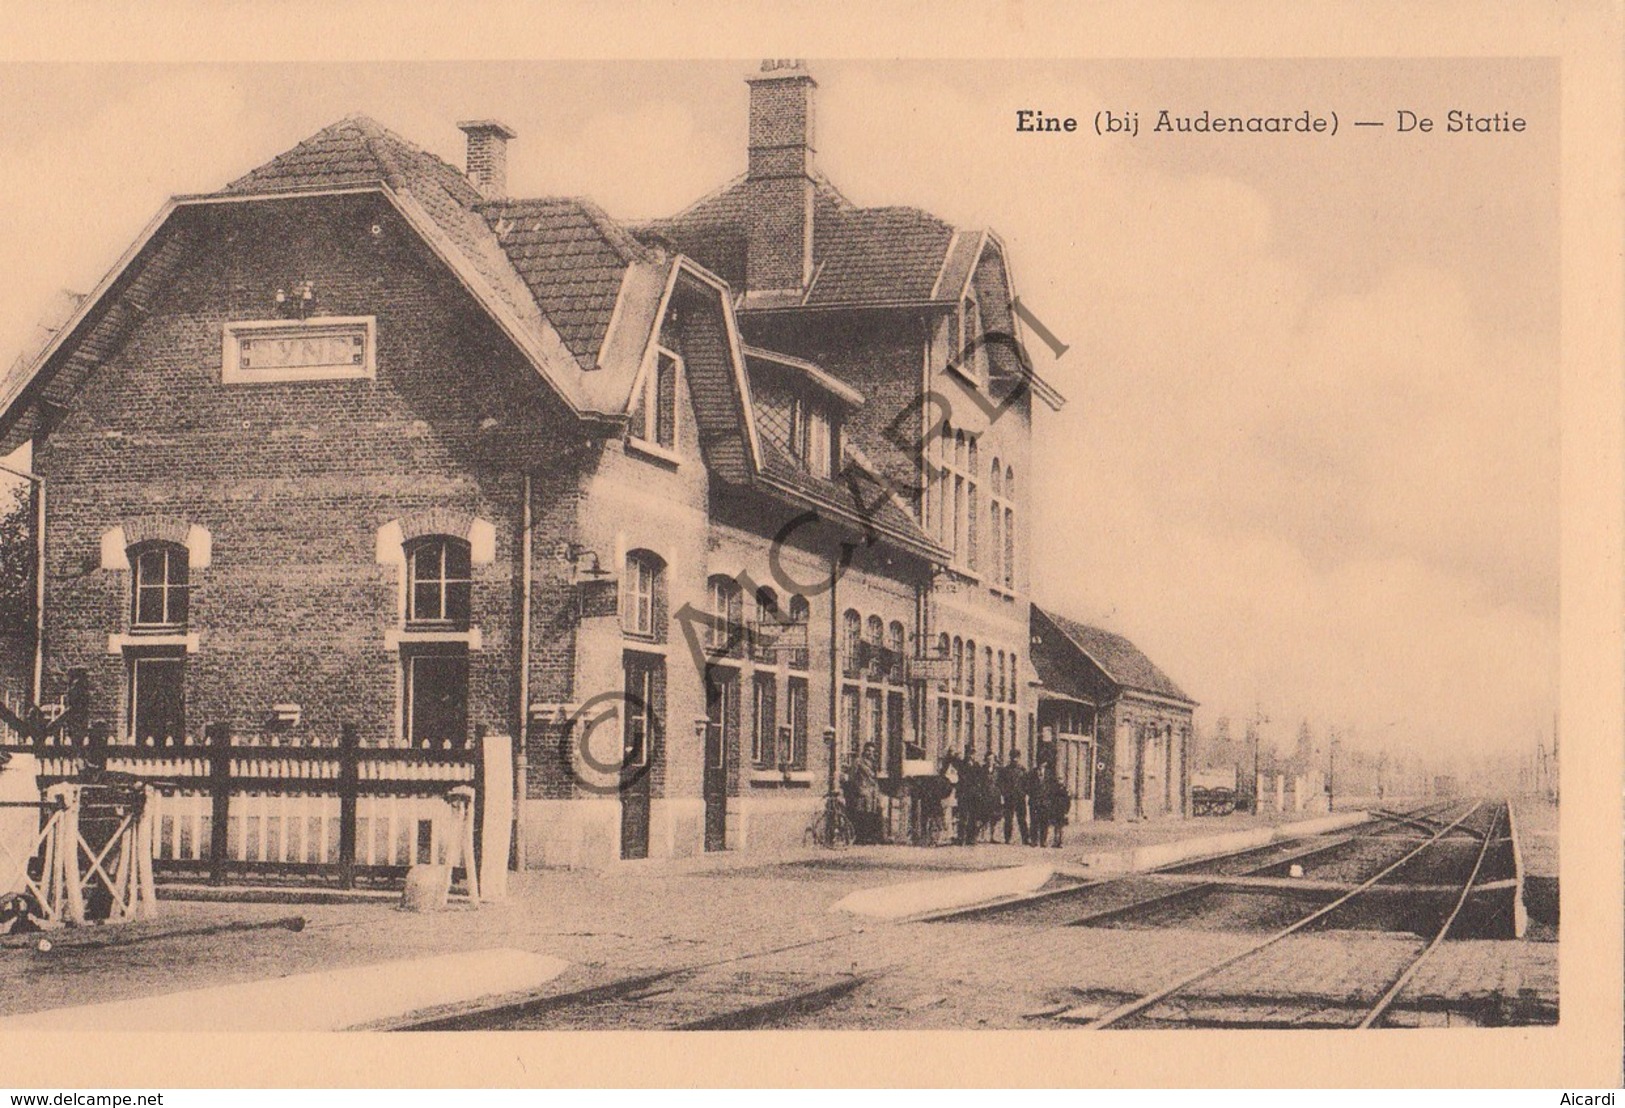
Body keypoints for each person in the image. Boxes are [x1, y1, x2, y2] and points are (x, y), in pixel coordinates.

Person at [843, 742, 884, 844]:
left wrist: (878, 793)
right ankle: (860, 838)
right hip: (862, 793)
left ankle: (870, 838)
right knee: (861, 815)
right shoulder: (858, 762)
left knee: (871, 815)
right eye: (868, 751)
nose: (870, 753)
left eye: (872, 751)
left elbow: (875, 779)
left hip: (872, 793)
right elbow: (852, 777)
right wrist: (859, 789)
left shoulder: (874, 764)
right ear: (864, 751)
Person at [997, 749, 1031, 845]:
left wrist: (1024, 792)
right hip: (1009, 798)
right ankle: (1007, 838)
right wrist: (1004, 793)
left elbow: (1027, 784)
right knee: (1008, 819)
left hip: (1020, 798)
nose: (1015, 759)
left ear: (1019, 758)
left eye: (1017, 757)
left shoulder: (1023, 770)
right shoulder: (1005, 770)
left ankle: (1025, 838)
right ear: (1010, 758)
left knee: (1022, 819)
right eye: (1013, 757)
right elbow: (1000, 783)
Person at [1028, 761, 1051, 849]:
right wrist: (1031, 794)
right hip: (1034, 801)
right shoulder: (1032, 773)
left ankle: (1043, 841)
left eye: (1043, 762)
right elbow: (1027, 785)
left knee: (1044, 822)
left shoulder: (1049, 774)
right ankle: (1034, 841)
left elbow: (1051, 786)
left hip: (1045, 802)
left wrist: (1049, 798)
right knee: (1034, 821)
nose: (1041, 764)